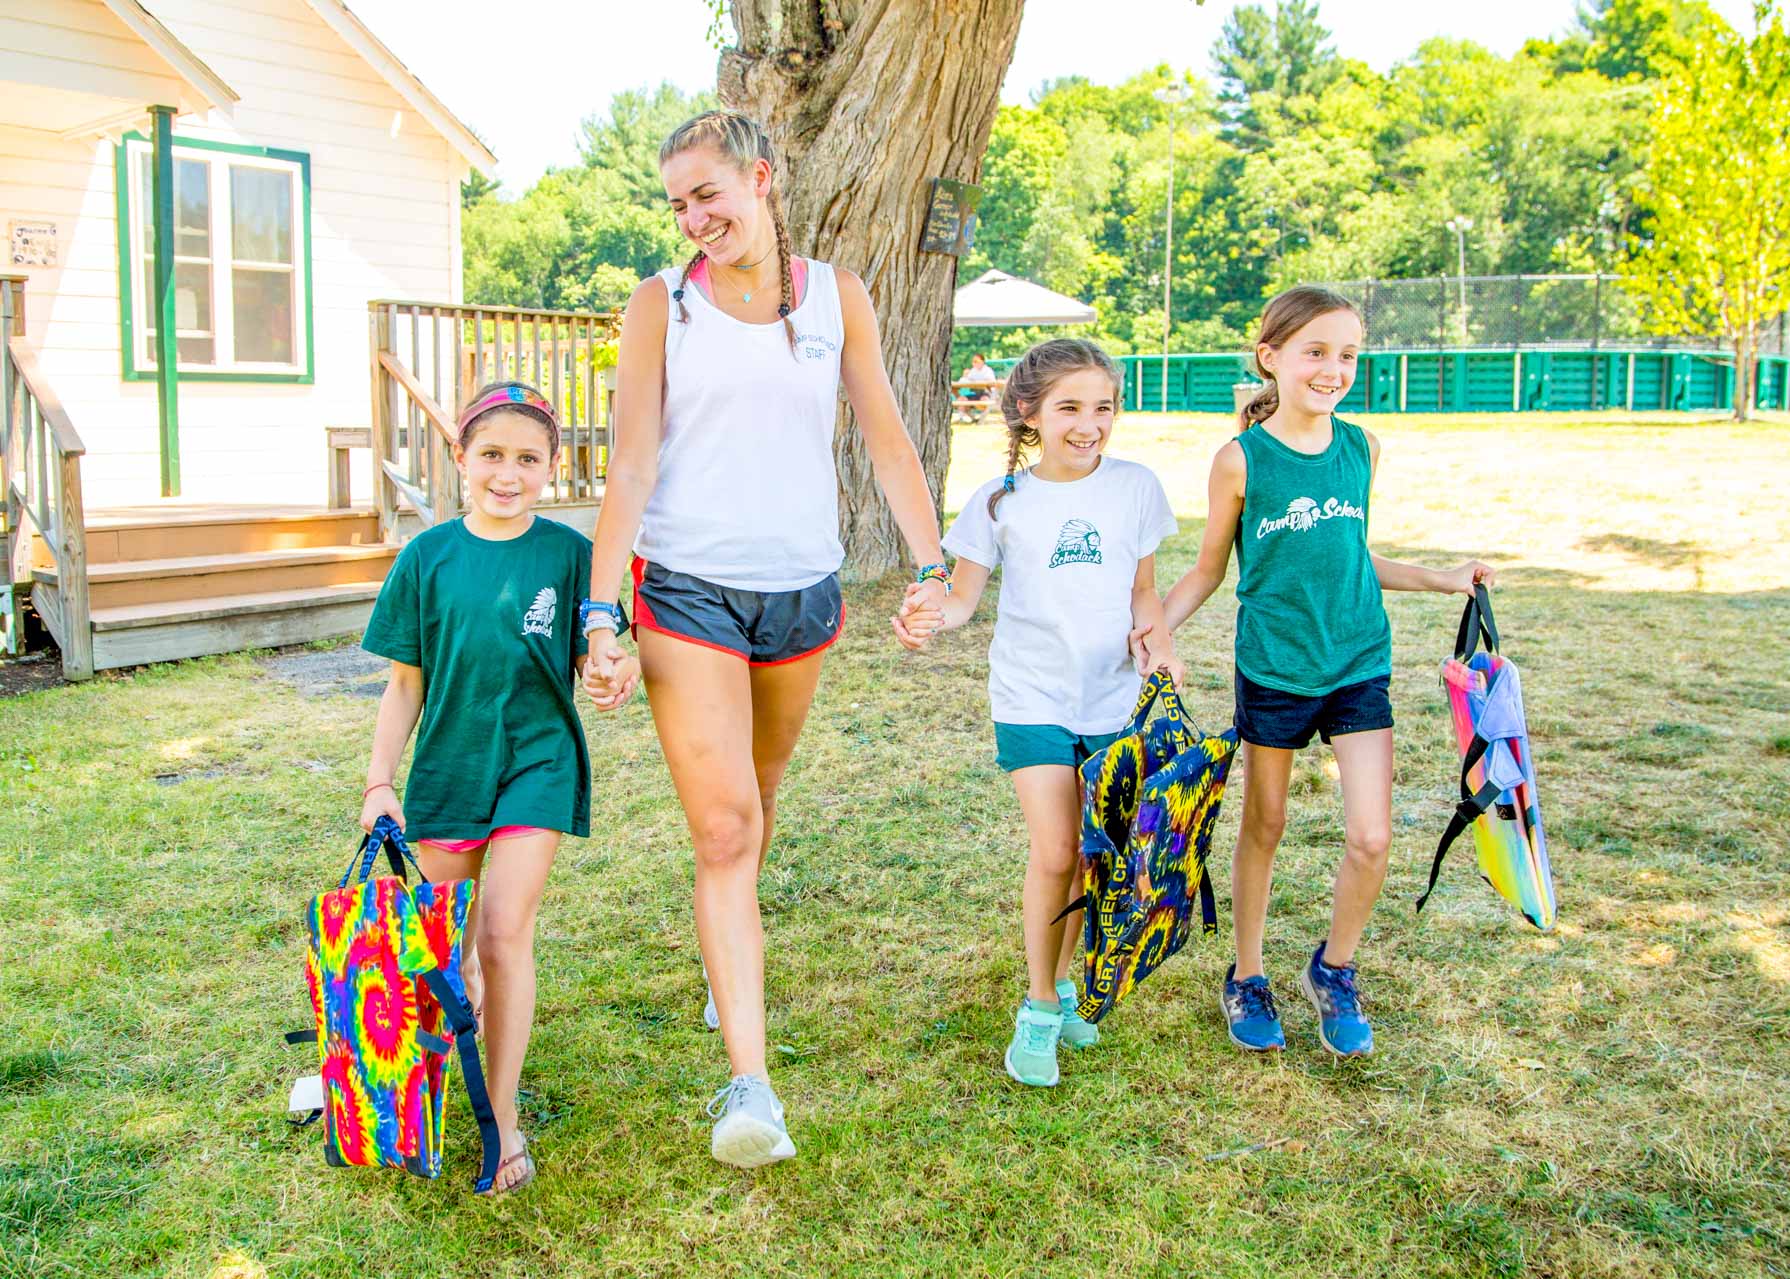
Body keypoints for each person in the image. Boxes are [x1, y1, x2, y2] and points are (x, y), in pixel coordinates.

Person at [579, 110, 947, 1168]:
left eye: (710, 194)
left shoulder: (836, 296)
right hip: (686, 587)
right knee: (726, 829)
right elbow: (633, 466)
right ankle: (750, 1086)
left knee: (761, 790)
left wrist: (932, 567)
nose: (697, 219)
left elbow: (885, 435)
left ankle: (718, 952)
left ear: (761, 177)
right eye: (678, 204)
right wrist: (604, 608)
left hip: (800, 594)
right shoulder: (663, 305)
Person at [1143, 286, 1494, 1058]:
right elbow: (1210, 569)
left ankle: (1333, 969)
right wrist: (1154, 626)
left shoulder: (1361, 448)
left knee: (1371, 836)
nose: (1333, 369)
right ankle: (1247, 974)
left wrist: (1444, 578)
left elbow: (1351, 553)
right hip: (1274, 666)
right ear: (1271, 357)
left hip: (1358, 660)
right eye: (1315, 351)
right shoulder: (1241, 460)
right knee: (1265, 825)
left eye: (1347, 354)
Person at [359, 381, 635, 1196]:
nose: (507, 473)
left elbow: (603, 648)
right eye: (491, 455)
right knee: (441, 957)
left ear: (553, 466)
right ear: (459, 458)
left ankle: (502, 1116)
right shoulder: (427, 558)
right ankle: (426, 1085)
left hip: (536, 762)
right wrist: (381, 782)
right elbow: (404, 686)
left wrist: (610, 670)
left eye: (527, 458)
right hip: (446, 769)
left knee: (503, 935)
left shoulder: (571, 554)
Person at [896, 337, 1180, 1087]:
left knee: (1094, 851)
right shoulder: (999, 501)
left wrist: (1158, 637)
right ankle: (1037, 1005)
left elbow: (1144, 590)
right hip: (1031, 695)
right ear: (1030, 412)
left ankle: (1070, 983)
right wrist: (930, 613)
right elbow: (960, 600)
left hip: (1115, 697)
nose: (1090, 424)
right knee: (1055, 848)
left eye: (1104, 407)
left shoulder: (1137, 487)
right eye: (1070, 408)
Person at [959, 352, 998, 421]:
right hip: (975, 393)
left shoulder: (988, 371)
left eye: (976, 361)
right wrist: (965, 376)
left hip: (986, 393)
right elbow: (965, 380)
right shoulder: (972, 371)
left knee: (984, 399)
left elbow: (991, 383)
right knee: (961, 399)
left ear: (982, 362)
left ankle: (981, 419)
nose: (974, 363)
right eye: (973, 362)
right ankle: (964, 418)